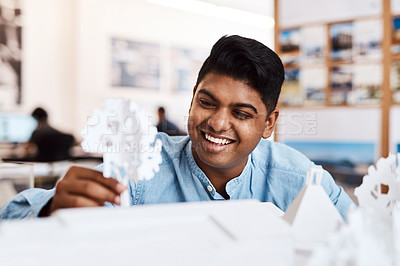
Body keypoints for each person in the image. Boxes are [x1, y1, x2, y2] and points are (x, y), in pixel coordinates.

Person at [0, 35, 354, 219]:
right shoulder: (142, 165)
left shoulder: (301, 181)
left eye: (242, 114)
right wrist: (51, 211)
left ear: (268, 124)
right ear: (192, 99)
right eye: (207, 102)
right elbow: (12, 216)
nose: (217, 122)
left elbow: (364, 239)